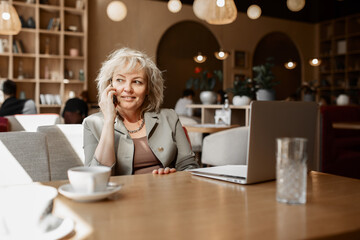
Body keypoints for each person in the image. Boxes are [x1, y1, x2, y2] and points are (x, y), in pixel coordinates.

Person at [83, 47, 199, 175]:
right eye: (120, 80)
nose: (127, 89)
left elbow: (189, 166)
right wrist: (109, 120)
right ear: (110, 85)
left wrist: (173, 175)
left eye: (137, 82)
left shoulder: (169, 117)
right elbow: (96, 175)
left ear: (148, 89)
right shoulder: (92, 123)